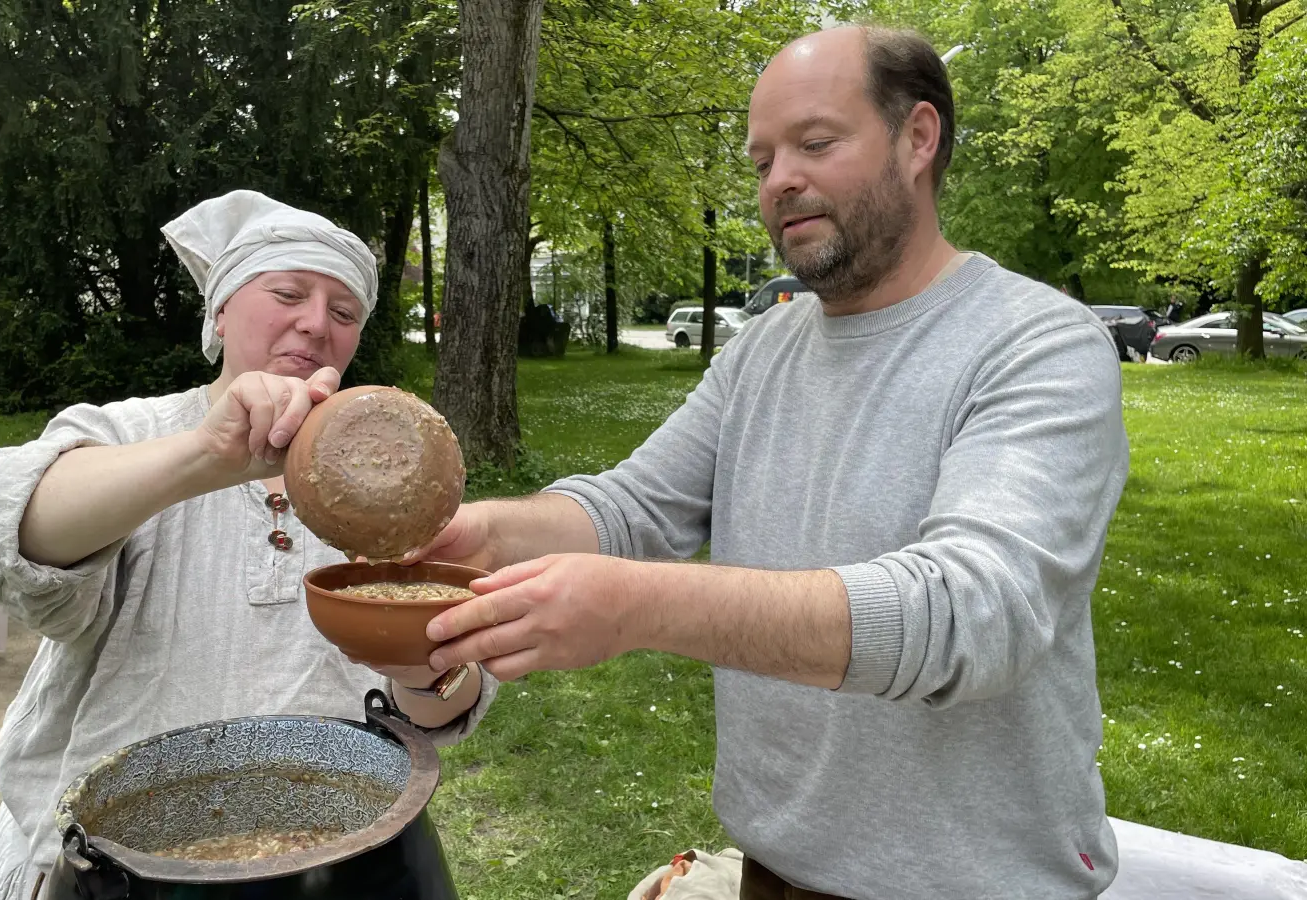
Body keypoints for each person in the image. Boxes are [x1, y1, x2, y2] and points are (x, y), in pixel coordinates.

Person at [412, 26, 1128, 900]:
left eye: (816, 143)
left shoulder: (1036, 342)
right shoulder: (765, 349)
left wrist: (636, 606)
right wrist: (485, 532)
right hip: (779, 869)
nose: (780, 179)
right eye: (761, 160)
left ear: (918, 138)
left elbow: (975, 613)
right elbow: (634, 509)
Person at [0, 190, 495, 900]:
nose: (315, 323)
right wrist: (208, 457)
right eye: (288, 292)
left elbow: (442, 698)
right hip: (118, 860)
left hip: (339, 857)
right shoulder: (130, 436)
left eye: (344, 311)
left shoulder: (385, 494)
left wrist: (426, 671)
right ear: (219, 312)